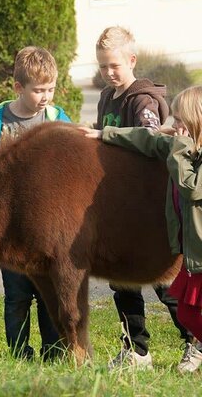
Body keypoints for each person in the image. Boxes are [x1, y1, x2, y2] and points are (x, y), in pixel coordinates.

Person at [89, 25, 194, 370]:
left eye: (114, 66)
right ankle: (137, 349)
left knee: (163, 281)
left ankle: (195, 341)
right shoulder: (108, 97)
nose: (108, 73)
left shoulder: (143, 99)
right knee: (122, 279)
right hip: (117, 206)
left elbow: (151, 143)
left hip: (149, 208)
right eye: (103, 66)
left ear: (131, 60)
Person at [0, 46, 71, 360]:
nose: (45, 97)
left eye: (50, 89)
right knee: (16, 296)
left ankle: (53, 352)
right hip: (7, 229)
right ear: (18, 87)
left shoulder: (56, 118)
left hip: (47, 228)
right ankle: (19, 353)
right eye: (38, 90)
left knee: (48, 292)